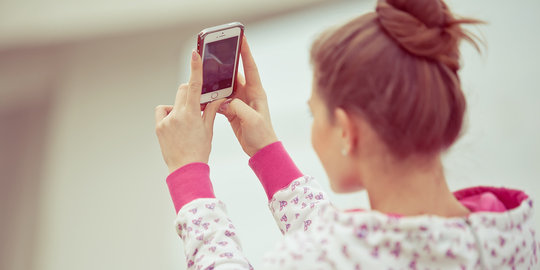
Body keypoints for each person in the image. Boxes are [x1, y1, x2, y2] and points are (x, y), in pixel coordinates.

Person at [154, 0, 539, 268]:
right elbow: (360, 247)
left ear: (347, 131)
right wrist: (267, 151)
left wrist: (188, 175)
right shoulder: (512, 234)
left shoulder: (321, 258)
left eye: (313, 114)